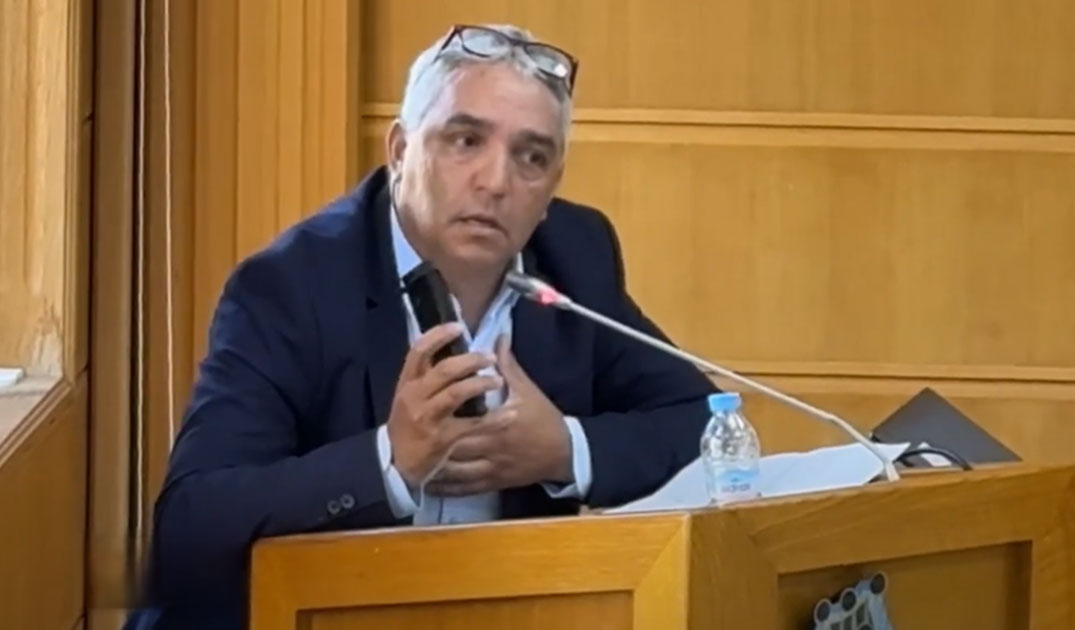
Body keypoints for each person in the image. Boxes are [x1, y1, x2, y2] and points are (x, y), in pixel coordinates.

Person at [126, 23, 717, 630]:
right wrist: (389, 462)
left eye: (532, 157)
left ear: (551, 190)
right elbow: (190, 531)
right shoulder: (291, 287)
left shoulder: (575, 259)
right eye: (466, 141)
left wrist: (563, 450)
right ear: (400, 150)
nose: (496, 182)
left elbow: (710, 427)